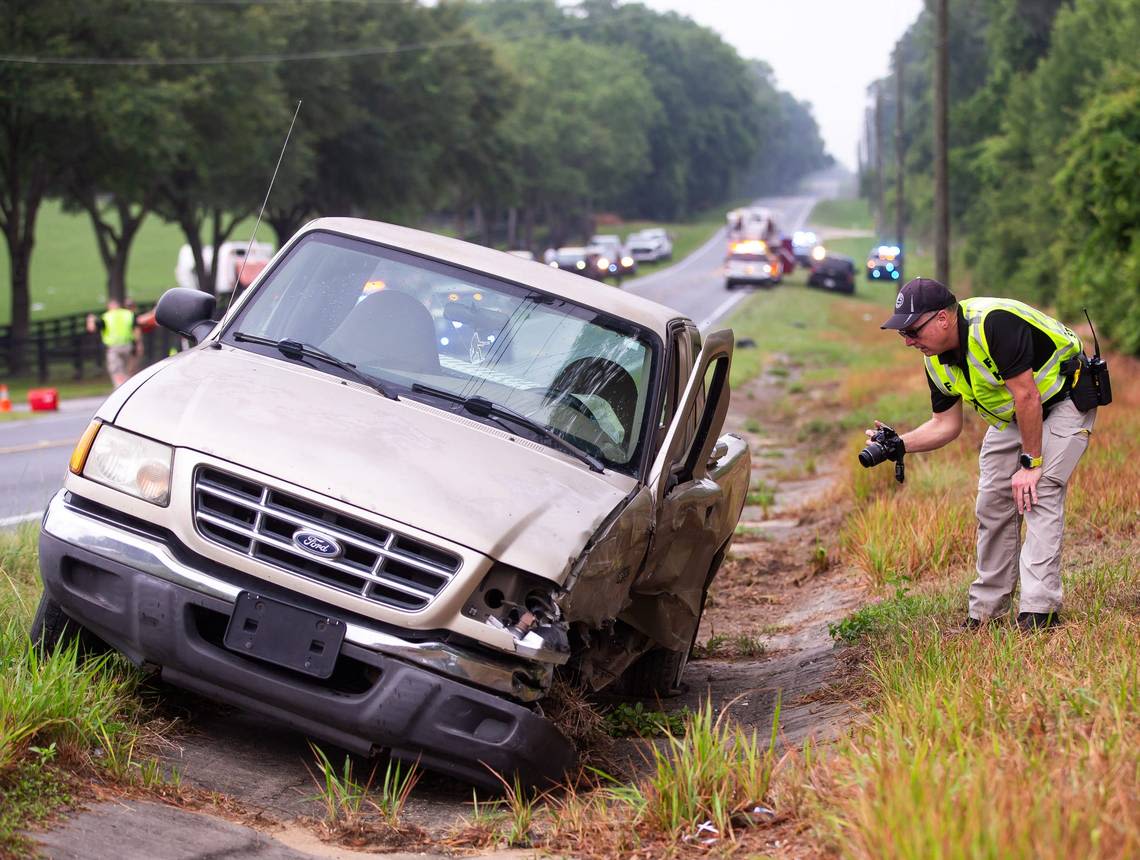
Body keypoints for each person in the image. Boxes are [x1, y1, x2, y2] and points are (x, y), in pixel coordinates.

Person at [868, 277, 1096, 632]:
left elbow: (1028, 396)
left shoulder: (993, 324)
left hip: (1065, 397)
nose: (909, 341)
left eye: (913, 330)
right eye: (903, 335)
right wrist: (899, 444)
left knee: (1039, 491)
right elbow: (945, 425)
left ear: (943, 318)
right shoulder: (935, 360)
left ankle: (1039, 612)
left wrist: (1031, 464)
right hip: (1015, 413)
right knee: (992, 501)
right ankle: (986, 613)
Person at [86, 298, 141, 388]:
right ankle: (130, 387)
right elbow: (136, 330)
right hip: (128, 346)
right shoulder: (128, 314)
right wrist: (138, 344)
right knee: (128, 370)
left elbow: (91, 329)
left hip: (113, 348)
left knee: (116, 370)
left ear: (109, 307)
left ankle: (121, 389)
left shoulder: (106, 317)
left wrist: (90, 320)